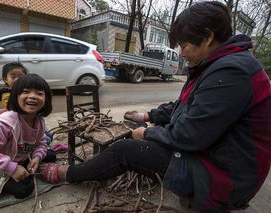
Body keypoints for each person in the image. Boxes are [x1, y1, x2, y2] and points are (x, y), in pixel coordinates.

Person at [39, 1, 271, 212]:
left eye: (184, 45)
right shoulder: (218, 64)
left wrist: (147, 132)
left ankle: (70, 174)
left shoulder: (231, 72)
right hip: (216, 153)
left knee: (126, 150)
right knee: (149, 136)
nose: (182, 53)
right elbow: (186, 107)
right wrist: (148, 115)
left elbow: (190, 135)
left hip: (226, 174)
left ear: (208, 37)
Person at [0, 74, 54, 203]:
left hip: (21, 157)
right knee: (24, 190)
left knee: (50, 155)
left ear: (46, 100)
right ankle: (6, 180)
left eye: (39, 93)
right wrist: (12, 168)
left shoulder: (39, 121)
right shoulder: (6, 124)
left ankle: (26, 165)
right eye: (26, 92)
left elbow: (41, 142)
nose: (33, 96)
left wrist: (37, 157)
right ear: (15, 97)